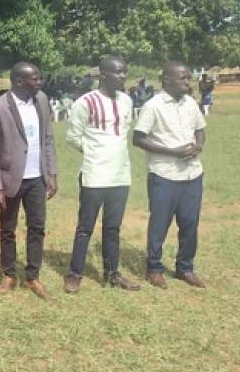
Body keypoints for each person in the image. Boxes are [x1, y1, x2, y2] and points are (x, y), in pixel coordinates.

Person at [63, 56, 142, 293]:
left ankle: (112, 274)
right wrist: (94, 152)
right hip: (94, 174)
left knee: (113, 227)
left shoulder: (127, 101)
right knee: (85, 227)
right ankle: (75, 274)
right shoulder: (86, 102)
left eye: (124, 72)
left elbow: (123, 133)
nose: (123, 77)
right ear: (103, 75)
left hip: (120, 174)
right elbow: (73, 137)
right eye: (118, 72)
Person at [0, 61, 59, 300]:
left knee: (37, 227)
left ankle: (32, 276)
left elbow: (48, 138)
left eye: (39, 78)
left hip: (37, 177)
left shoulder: (42, 100)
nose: (39, 82)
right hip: (10, 179)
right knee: (8, 228)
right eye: (34, 79)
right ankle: (9, 274)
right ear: (19, 81)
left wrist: (52, 173)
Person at [133, 61, 207, 289]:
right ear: (167, 80)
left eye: (188, 77)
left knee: (190, 223)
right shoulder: (153, 106)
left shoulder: (190, 104)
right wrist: (173, 152)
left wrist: (198, 146)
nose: (188, 81)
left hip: (192, 174)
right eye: (183, 78)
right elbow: (138, 138)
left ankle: (185, 267)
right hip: (164, 175)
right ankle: (154, 268)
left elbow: (200, 129)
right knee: (160, 224)